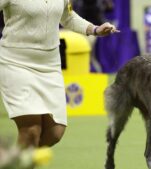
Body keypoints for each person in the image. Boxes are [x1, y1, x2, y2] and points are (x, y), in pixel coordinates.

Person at [0, 0, 119, 149]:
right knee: (31, 130)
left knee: (55, 132)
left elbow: (68, 17)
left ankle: (12, 163)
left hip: (50, 66)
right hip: (16, 63)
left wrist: (94, 29)